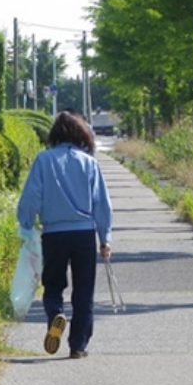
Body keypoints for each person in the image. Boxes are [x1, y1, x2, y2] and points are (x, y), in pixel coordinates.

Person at [16, 111, 113, 359]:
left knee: (53, 284)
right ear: (81, 134)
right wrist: (105, 238)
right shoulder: (89, 162)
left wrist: (26, 225)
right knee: (83, 291)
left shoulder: (43, 160)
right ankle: (78, 345)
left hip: (54, 234)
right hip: (83, 233)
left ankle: (55, 316)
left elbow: (31, 197)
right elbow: (101, 203)